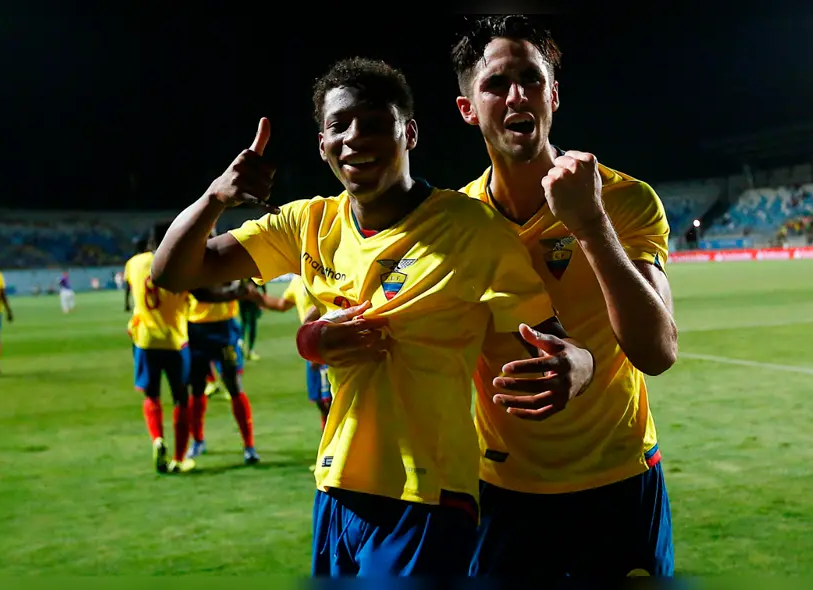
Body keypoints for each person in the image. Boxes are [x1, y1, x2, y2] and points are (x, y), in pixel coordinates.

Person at [151, 57, 593, 577]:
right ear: (322, 143)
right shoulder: (307, 224)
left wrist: (578, 364)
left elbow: (553, 342)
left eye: (376, 124)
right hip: (337, 485)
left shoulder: (471, 229)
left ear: (409, 132)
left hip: (427, 494)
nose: (355, 138)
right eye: (339, 125)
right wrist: (215, 197)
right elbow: (174, 271)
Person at [450, 15, 678, 577]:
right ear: (468, 109)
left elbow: (657, 351)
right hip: (504, 490)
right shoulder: (456, 224)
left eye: (531, 79)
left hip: (620, 480)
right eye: (496, 84)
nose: (516, 95)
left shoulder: (622, 200)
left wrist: (591, 224)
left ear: (553, 95)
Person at [185, 264, 286, 465]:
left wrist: (241, 290)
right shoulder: (193, 261)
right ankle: (197, 440)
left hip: (224, 329)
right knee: (196, 388)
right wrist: (233, 292)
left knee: (234, 385)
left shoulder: (226, 260)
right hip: (195, 328)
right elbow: (206, 293)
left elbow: (240, 284)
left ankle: (249, 445)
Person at [124, 223, 195, 474]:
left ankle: (157, 439)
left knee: (151, 395)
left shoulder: (134, 263)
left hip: (145, 340)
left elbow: (132, 292)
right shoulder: (182, 263)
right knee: (181, 399)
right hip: (176, 340)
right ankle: (178, 458)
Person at [279, 274, 330, 429]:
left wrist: (318, 348)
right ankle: (328, 443)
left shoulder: (322, 275)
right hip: (311, 346)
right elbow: (282, 304)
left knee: (332, 400)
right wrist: (257, 298)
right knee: (320, 402)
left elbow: (328, 301)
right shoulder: (297, 280)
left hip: (325, 341)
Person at [239, 279, 264, 361]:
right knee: (252, 324)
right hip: (251, 296)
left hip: (241, 296)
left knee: (244, 321)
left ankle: (241, 342)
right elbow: (260, 280)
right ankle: (250, 351)